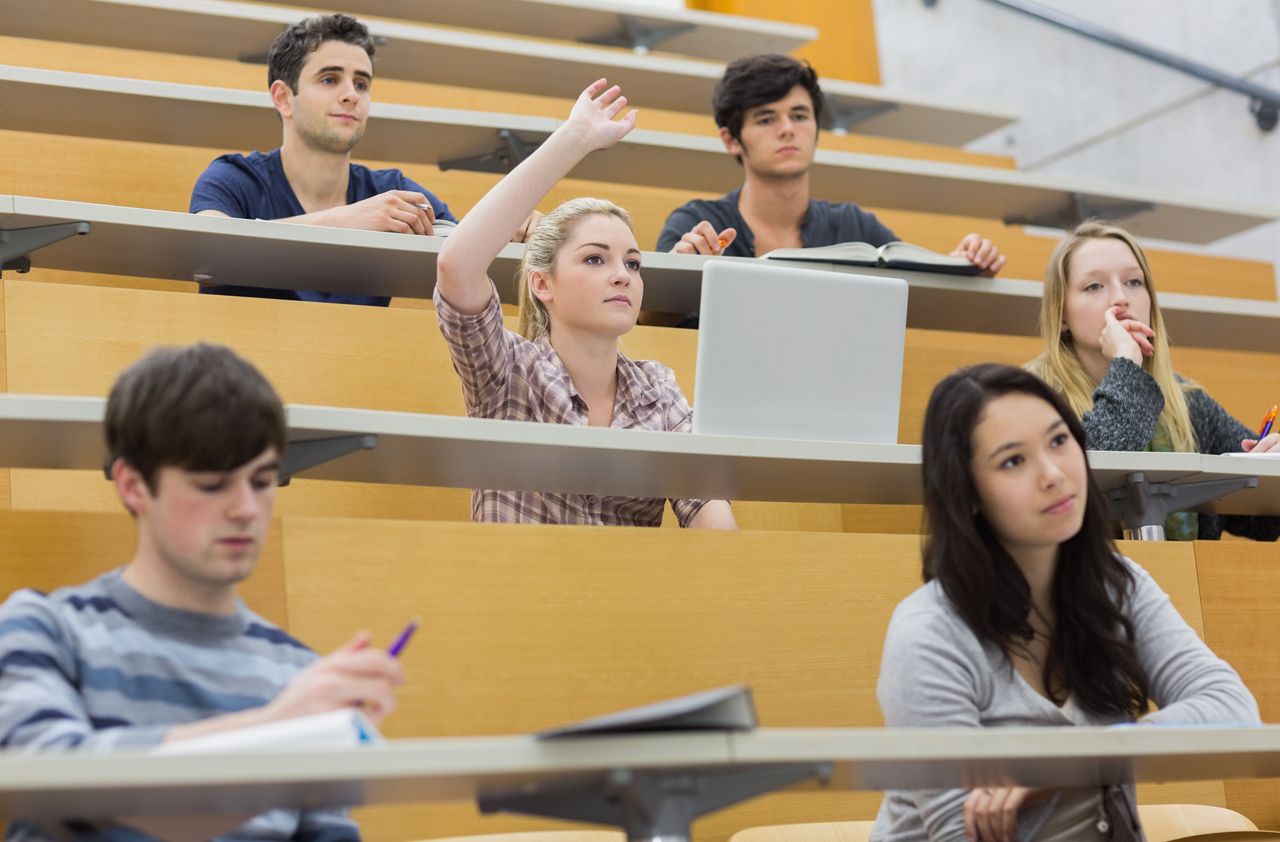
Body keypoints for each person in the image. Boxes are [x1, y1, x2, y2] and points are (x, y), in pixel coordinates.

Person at [0, 343, 404, 840]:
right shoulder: (45, 629)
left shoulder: (296, 672)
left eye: (261, 481)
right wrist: (275, 728)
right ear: (132, 485)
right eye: (212, 484)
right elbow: (49, 781)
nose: (246, 509)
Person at [871, 363, 1259, 842]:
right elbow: (958, 832)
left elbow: (1233, 710)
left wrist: (1075, 760)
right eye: (1013, 461)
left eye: (1059, 441)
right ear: (968, 493)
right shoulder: (927, 633)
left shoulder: (1117, 585)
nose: (1054, 474)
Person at [434, 79, 736, 528]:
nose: (621, 274)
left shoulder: (659, 389)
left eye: (633, 264)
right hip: (516, 593)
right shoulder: (507, 371)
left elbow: (712, 521)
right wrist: (574, 139)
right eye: (595, 258)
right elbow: (457, 265)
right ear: (542, 284)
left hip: (626, 595)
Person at [189, 14, 539, 306]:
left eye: (361, 84)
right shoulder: (232, 178)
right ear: (283, 97)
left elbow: (465, 254)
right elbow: (209, 252)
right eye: (330, 79)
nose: (350, 95)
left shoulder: (391, 190)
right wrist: (344, 221)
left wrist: (514, 233)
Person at [1026, 219, 1280, 541]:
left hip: (1186, 583)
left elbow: (1261, 518)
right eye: (1094, 286)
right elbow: (1084, 483)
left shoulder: (1186, 400)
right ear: (1061, 313)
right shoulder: (1031, 397)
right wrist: (1126, 364)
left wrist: (1272, 459)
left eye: (1134, 282)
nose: (1120, 298)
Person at [655, 53, 1005, 276]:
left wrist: (966, 263)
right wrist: (680, 268)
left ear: (817, 130)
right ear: (731, 140)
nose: (788, 129)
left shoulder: (854, 226)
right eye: (765, 120)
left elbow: (921, 284)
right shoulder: (697, 223)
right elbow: (655, 321)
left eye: (800, 115)